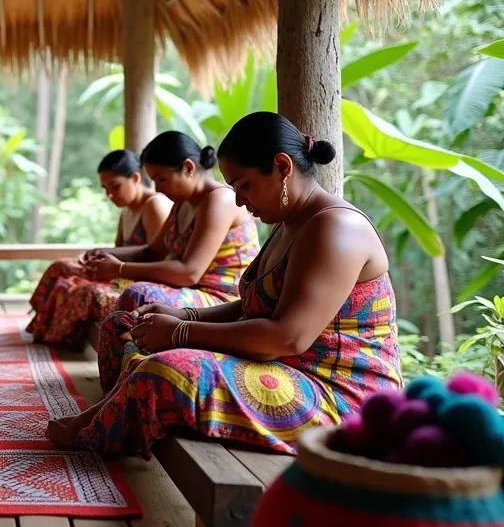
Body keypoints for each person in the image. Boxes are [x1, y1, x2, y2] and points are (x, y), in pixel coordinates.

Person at [46, 113, 401, 457]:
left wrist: (182, 332)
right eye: (233, 187)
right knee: (125, 326)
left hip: (340, 397)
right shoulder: (289, 224)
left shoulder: (335, 228)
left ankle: (98, 429)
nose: (239, 199)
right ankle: (108, 417)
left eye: (244, 185)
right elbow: (250, 308)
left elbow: (286, 338)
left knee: (168, 370)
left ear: (282, 167)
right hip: (284, 366)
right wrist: (182, 314)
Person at [27, 132, 258, 350]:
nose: (157, 188)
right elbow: (151, 251)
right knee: (125, 299)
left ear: (188, 168)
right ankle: (127, 378)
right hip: (188, 290)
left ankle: (135, 375)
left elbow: (189, 273)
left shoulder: (220, 200)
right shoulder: (182, 203)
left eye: (161, 179)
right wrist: (102, 255)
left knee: (139, 295)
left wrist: (119, 268)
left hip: (222, 302)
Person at [27, 150, 172, 348]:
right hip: (121, 271)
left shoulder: (155, 204)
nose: (110, 195)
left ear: (136, 178)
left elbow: (156, 255)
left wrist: (112, 264)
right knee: (61, 267)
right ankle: (44, 326)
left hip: (139, 277)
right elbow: (119, 249)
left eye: (115, 187)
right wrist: (96, 255)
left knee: (77, 286)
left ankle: (56, 334)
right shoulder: (127, 211)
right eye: (105, 189)